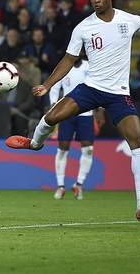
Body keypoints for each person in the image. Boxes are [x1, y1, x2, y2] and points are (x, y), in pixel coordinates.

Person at [5, 0, 140, 221]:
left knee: (137, 140)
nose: (96, 0)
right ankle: (35, 143)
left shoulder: (129, 20)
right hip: (91, 88)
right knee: (51, 117)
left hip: (118, 93)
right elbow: (68, 60)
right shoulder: (83, 28)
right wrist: (47, 85)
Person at [47, 57, 94, 200]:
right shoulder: (64, 66)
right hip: (67, 112)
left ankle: (79, 184)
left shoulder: (90, 66)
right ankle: (60, 186)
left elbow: (98, 86)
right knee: (63, 148)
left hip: (86, 113)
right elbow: (54, 87)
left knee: (88, 149)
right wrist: (54, 105)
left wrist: (101, 108)